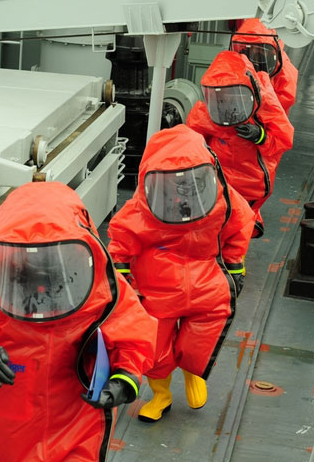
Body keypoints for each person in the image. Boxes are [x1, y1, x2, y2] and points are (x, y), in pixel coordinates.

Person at [0, 182, 156, 462]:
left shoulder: (103, 292)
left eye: (51, 263)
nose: (41, 272)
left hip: (78, 423)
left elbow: (133, 337)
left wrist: (124, 379)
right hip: (9, 431)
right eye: (29, 265)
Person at [107, 125, 254, 422]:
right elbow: (120, 243)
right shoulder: (142, 207)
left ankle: (193, 371)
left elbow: (240, 224)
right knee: (154, 346)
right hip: (156, 289)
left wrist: (235, 267)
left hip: (206, 280)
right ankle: (162, 395)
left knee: (204, 333)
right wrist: (122, 282)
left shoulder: (220, 199)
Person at [186, 50, 294, 237]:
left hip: (252, 179)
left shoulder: (265, 101)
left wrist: (259, 135)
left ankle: (244, 227)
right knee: (224, 223)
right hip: (220, 179)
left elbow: (283, 139)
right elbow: (190, 143)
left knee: (238, 221)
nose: (227, 101)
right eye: (221, 95)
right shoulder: (207, 113)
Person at [230, 17, 299, 114]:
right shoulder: (241, 57)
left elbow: (278, 110)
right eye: (251, 47)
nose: (255, 51)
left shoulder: (285, 73)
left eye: (260, 48)